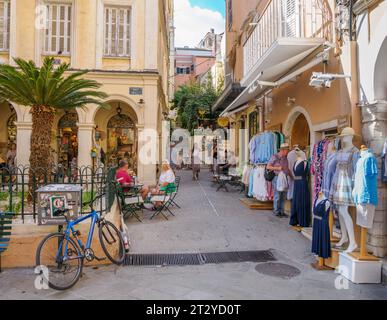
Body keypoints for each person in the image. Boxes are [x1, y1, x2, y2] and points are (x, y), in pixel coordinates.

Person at [267, 143, 291, 217]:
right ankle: (276, 211)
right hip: (277, 177)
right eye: (287, 150)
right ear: (283, 150)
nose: (288, 152)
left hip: (284, 177)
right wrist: (277, 168)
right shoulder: (275, 157)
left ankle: (282, 211)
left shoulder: (286, 157)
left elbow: (287, 169)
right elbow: (268, 167)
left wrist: (292, 177)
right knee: (277, 194)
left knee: (283, 195)